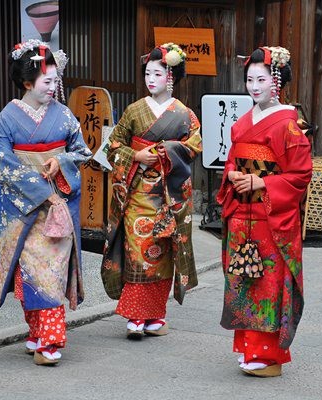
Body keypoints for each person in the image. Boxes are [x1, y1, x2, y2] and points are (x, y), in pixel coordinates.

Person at [0, 39, 92, 366]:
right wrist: (39, 189)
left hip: (58, 205)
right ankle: (37, 332)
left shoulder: (64, 116)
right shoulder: (7, 118)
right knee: (29, 271)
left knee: (51, 272)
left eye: (55, 80)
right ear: (27, 82)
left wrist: (62, 163)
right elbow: (4, 163)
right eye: (47, 81)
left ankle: (50, 339)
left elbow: (82, 152)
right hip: (24, 208)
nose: (53, 86)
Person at [217, 46, 312, 377]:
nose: (254, 87)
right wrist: (231, 174)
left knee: (266, 282)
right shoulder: (243, 122)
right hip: (241, 214)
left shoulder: (289, 126)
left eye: (260, 79)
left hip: (269, 217)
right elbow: (233, 159)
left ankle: (268, 354)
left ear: (276, 81)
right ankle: (248, 348)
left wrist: (260, 182)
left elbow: (300, 176)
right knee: (244, 279)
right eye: (249, 80)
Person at [101, 43, 202, 339]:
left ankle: (156, 314)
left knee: (163, 254)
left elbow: (194, 146)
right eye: (148, 73)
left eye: (157, 74)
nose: (151, 79)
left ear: (170, 77)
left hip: (167, 195)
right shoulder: (134, 111)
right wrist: (136, 156)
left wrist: (164, 152)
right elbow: (112, 146)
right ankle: (135, 315)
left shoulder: (185, 114)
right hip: (136, 194)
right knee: (137, 253)